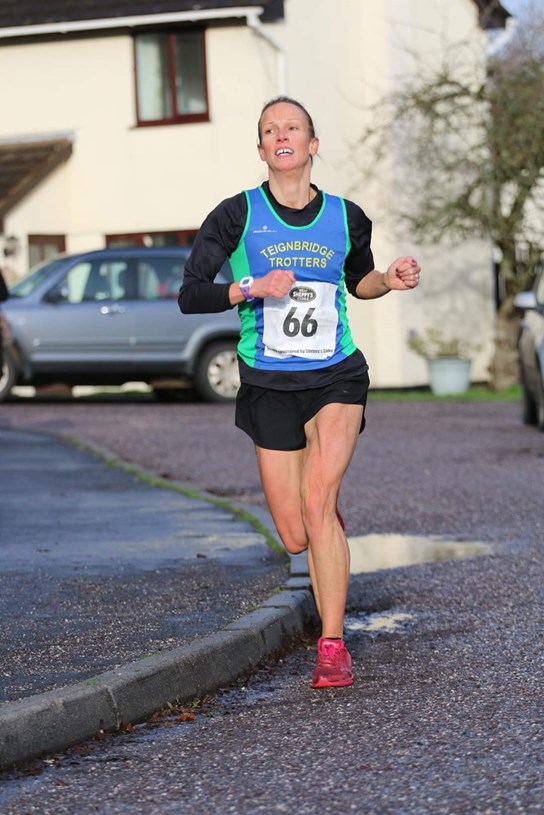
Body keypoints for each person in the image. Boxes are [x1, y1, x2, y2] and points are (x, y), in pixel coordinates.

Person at [178, 96, 421, 689]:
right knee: (295, 532)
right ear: (262, 150)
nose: (280, 134)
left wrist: (386, 279)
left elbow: (357, 282)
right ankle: (324, 521)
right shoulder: (236, 216)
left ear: (312, 145)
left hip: (337, 374)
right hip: (268, 381)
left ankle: (333, 646)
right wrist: (250, 286)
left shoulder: (346, 215)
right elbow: (190, 293)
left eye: (292, 127)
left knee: (317, 499)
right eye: (269, 129)